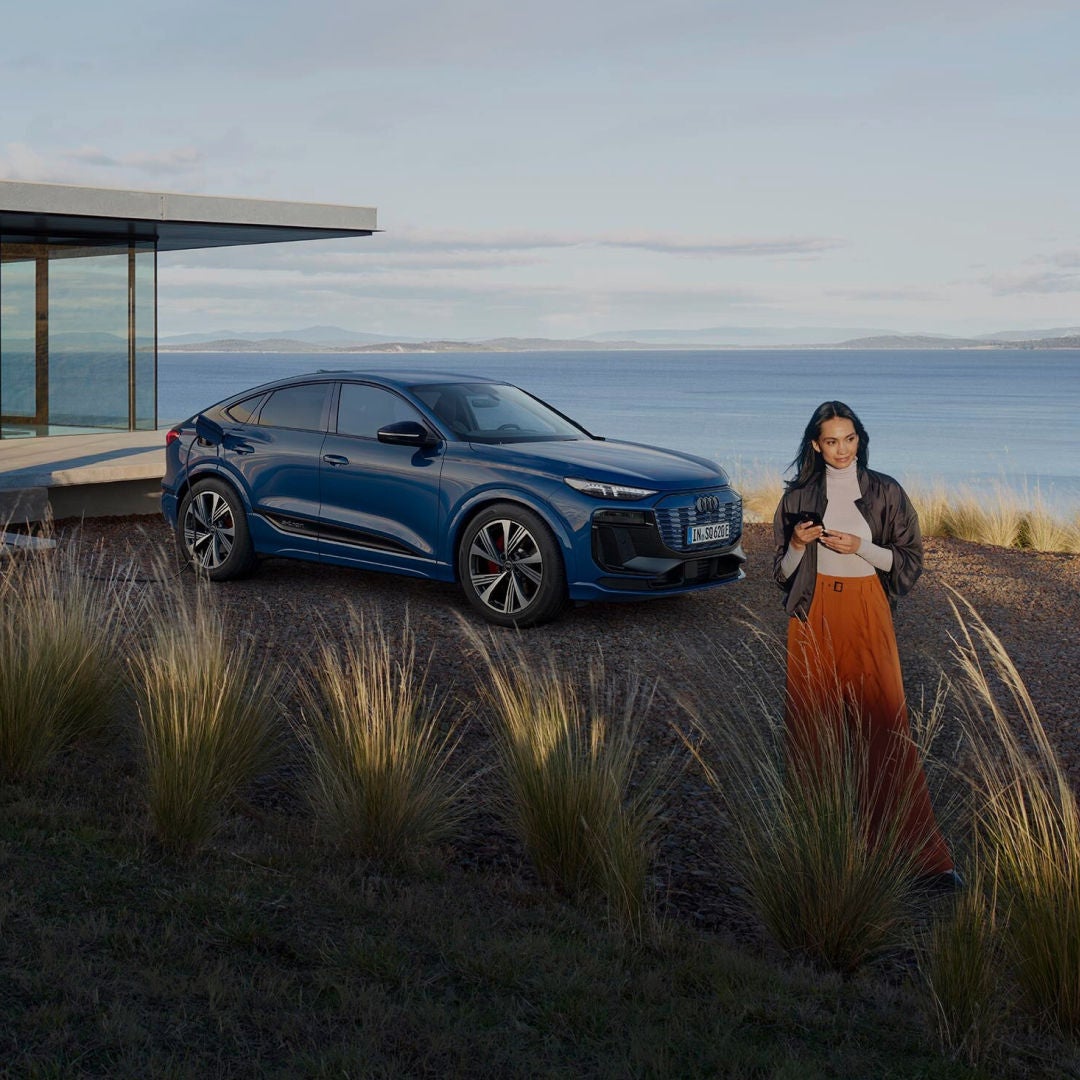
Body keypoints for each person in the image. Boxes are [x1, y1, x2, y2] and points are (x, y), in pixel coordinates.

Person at [772, 400, 960, 888]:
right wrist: (796, 546)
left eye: (849, 439)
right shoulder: (797, 496)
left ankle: (922, 858)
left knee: (884, 723)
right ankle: (818, 848)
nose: (841, 449)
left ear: (860, 439)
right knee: (812, 726)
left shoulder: (885, 492)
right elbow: (782, 575)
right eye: (831, 441)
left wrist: (863, 549)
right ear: (816, 444)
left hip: (866, 608)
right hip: (812, 615)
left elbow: (910, 560)